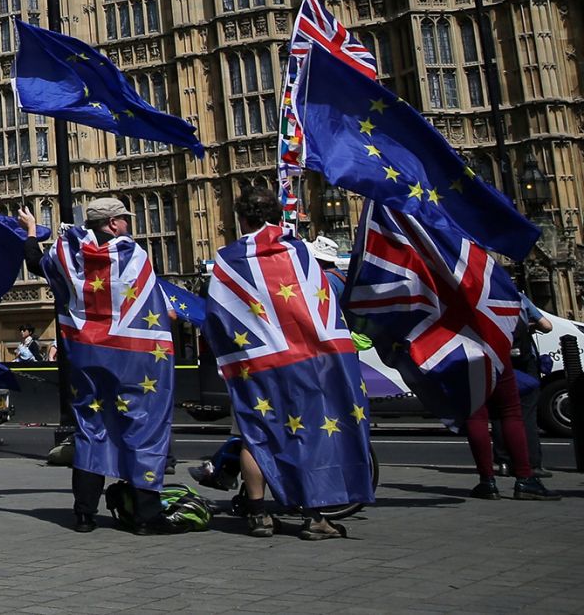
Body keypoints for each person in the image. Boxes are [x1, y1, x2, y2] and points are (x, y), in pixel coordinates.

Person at [203, 187, 372, 541]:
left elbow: (218, 317)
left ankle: (259, 515)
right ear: (278, 215)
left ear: (242, 218)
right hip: (306, 362)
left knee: (254, 433)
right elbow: (322, 310)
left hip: (256, 365)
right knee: (307, 431)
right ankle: (313, 517)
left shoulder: (227, 260)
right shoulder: (301, 253)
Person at [19, 199, 176, 535]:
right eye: (124, 219)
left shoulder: (70, 255)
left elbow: (34, 262)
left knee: (91, 428)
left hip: (87, 354)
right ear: (114, 224)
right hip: (136, 356)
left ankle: (84, 514)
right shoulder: (133, 255)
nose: (128, 225)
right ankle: (146, 515)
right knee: (142, 427)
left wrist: (31, 231)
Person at [496, 298, 555, 479]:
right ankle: (531, 463)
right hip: (524, 361)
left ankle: (503, 462)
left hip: (498, 359)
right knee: (527, 413)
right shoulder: (519, 298)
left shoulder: (481, 295)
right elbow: (547, 326)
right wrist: (532, 326)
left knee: (500, 412)